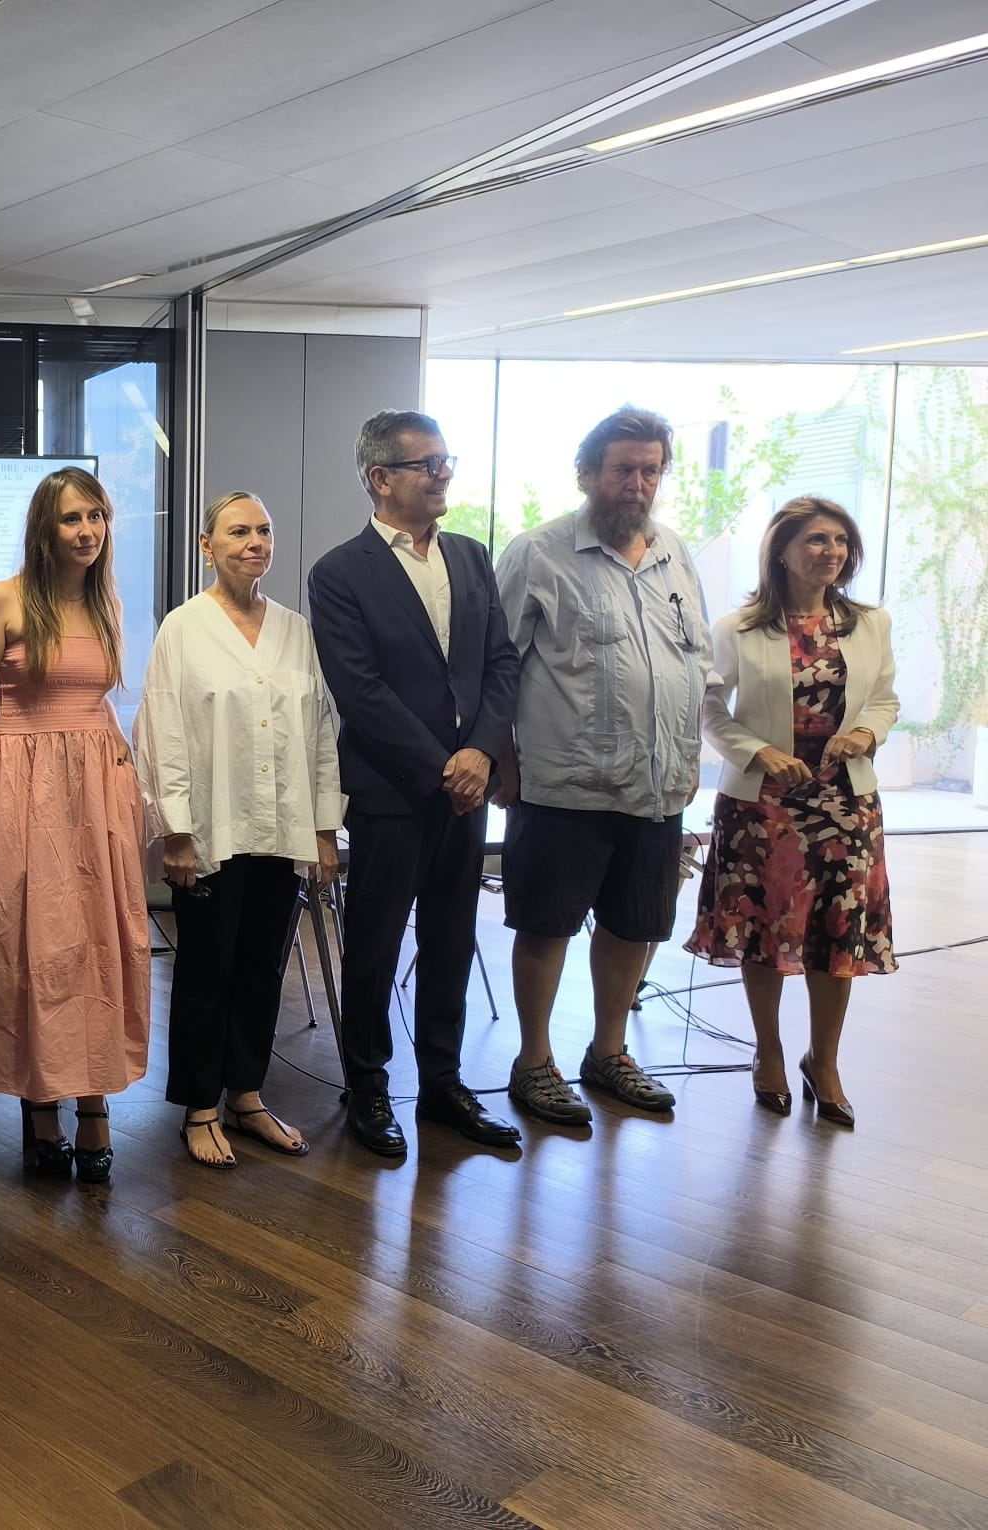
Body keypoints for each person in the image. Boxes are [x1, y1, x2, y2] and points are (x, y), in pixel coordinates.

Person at [309, 413, 523, 1157]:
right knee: (371, 947)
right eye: (427, 463)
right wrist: (447, 765)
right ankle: (368, 1085)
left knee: (451, 941)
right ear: (381, 478)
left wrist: (483, 754)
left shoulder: (470, 557)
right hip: (393, 790)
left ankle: (442, 1084)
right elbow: (360, 692)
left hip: (467, 788)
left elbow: (500, 664)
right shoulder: (339, 572)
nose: (443, 474)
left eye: (445, 460)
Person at [493, 406, 711, 1126]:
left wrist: (690, 762)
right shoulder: (539, 553)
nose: (637, 483)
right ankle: (533, 1061)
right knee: (548, 925)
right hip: (564, 786)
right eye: (623, 469)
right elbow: (496, 668)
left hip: (657, 787)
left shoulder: (675, 553)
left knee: (635, 924)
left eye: (650, 470)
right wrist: (502, 760)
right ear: (588, 474)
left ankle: (608, 1053)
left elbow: (696, 662)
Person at [0, 466, 150, 1184]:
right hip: (18, 781)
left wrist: (124, 789)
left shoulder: (106, 604)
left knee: (97, 941)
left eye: (96, 516)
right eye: (72, 518)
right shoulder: (3, 599)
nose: (88, 531)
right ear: (45, 527)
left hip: (94, 791)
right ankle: (41, 1104)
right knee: (31, 941)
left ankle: (93, 1102)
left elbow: (100, 705)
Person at [136, 491, 344, 1168]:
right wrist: (175, 831)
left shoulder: (295, 629)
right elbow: (161, 732)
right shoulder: (183, 628)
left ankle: (246, 1095)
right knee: (206, 969)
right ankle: (200, 1106)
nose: (254, 541)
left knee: (262, 967)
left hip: (280, 828)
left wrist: (322, 828)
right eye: (238, 531)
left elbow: (319, 732)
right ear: (206, 545)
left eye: (264, 529)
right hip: (211, 830)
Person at [685, 498, 897, 1127]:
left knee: (838, 935)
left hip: (846, 801)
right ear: (781, 550)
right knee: (764, 932)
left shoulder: (870, 623)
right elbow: (711, 712)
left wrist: (866, 734)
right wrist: (760, 752)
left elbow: (884, 699)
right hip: (763, 805)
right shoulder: (737, 629)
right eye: (815, 540)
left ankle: (823, 1061)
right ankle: (768, 1052)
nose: (831, 551)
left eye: (840, 540)